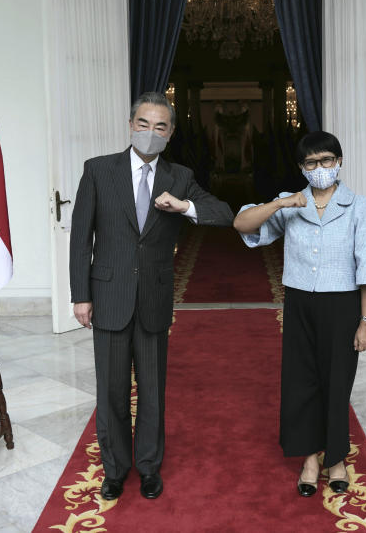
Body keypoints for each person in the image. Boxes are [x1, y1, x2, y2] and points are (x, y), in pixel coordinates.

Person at [70, 92, 234, 501]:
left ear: (171, 133)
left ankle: (148, 468)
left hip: (155, 300)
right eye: (143, 124)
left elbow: (225, 214)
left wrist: (185, 206)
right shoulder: (98, 170)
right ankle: (114, 469)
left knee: (152, 391)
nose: (150, 133)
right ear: (131, 125)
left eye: (160, 127)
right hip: (108, 296)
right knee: (110, 391)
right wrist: (80, 295)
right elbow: (79, 238)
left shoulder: (179, 176)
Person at [233, 130, 366, 497]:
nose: (320, 168)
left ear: (339, 162)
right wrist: (280, 205)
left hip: (342, 305)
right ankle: (309, 459)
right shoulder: (291, 202)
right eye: (311, 163)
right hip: (299, 303)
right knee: (302, 382)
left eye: (327, 160)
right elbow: (242, 225)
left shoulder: (358, 207)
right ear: (302, 167)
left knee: (336, 383)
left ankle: (336, 459)